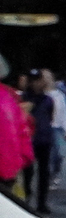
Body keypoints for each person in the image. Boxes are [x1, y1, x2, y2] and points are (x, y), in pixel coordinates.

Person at [30, 69, 66, 216]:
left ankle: (42, 201)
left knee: (48, 164)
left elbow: (57, 113)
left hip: (47, 134)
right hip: (32, 136)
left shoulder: (52, 97)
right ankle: (30, 196)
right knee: (30, 170)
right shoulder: (26, 98)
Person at [0, 58, 30, 208]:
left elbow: (21, 128)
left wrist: (23, 156)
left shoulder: (8, 95)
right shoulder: (8, 96)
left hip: (8, 167)